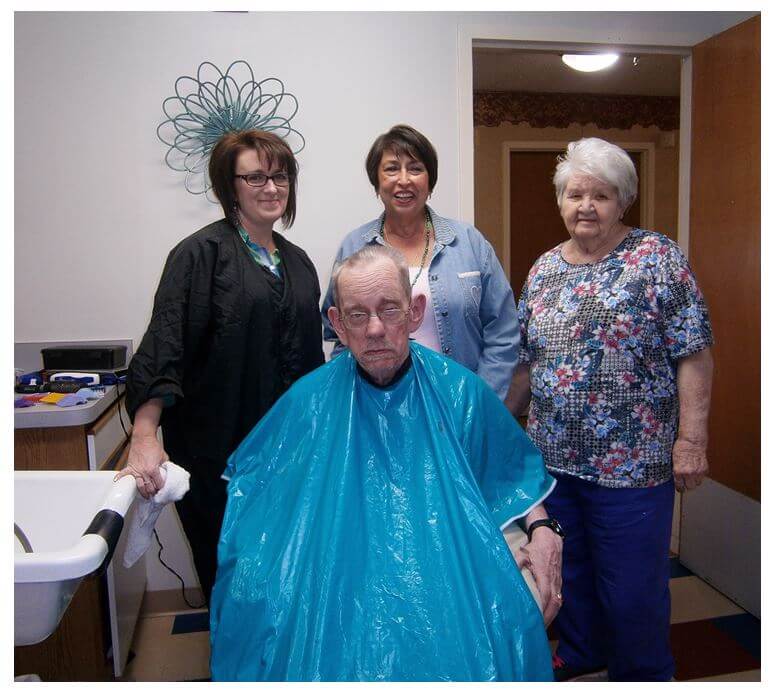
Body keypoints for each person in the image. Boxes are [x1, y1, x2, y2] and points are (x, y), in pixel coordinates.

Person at [210, 246, 564, 681]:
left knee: (489, 622)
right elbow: (256, 485)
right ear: (337, 324)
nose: (376, 330)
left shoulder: (460, 392)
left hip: (445, 553)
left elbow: (510, 475)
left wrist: (544, 529)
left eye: (389, 310)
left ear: (414, 312)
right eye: (358, 316)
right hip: (335, 556)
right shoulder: (309, 402)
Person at [506, 137, 714, 682]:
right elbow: (526, 364)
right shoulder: (545, 268)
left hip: (633, 466)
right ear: (560, 200)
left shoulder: (657, 258)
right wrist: (501, 429)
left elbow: (693, 352)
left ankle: (642, 674)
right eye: (576, 194)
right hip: (553, 464)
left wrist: (691, 441)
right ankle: (581, 652)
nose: (586, 206)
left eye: (601, 195)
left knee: (630, 589)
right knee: (567, 572)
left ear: (623, 202)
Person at [119, 130, 325, 603]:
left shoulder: (298, 263)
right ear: (229, 185)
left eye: (280, 176)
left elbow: (310, 362)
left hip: (289, 451)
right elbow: (165, 344)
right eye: (255, 177)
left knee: (285, 569)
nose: (271, 188)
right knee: (228, 571)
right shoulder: (199, 255)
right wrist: (145, 435)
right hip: (217, 453)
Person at [321, 124, 518, 400]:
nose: (404, 180)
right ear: (377, 182)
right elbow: (338, 333)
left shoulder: (469, 242)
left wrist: (480, 399)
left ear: (430, 180)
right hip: (379, 403)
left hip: (459, 401)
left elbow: (504, 330)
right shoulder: (354, 246)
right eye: (391, 169)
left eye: (415, 168)